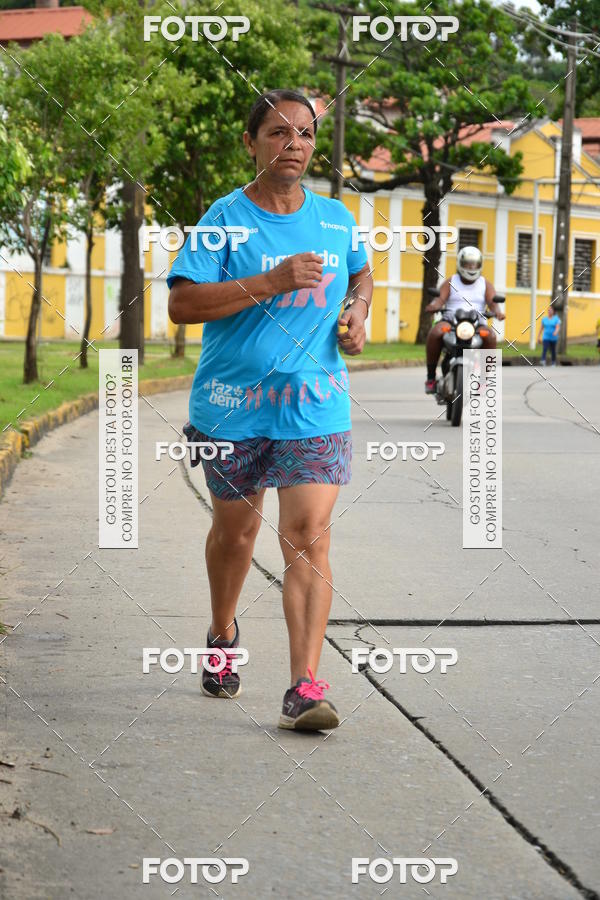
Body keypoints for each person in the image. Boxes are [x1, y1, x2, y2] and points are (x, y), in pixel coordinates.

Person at [166, 89, 372, 731]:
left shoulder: (336, 219)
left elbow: (360, 272)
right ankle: (223, 632)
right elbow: (182, 306)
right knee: (237, 534)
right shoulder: (223, 219)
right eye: (279, 132)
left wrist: (357, 310)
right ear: (251, 143)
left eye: (306, 134)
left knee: (308, 536)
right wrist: (272, 281)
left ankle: (305, 687)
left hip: (315, 404)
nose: (295, 144)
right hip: (234, 408)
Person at [424, 246, 505, 393]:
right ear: (461, 263)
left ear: (480, 265)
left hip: (477, 323)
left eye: (474, 264)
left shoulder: (484, 283)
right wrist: (433, 306)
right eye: (468, 264)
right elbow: (440, 299)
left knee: (491, 336)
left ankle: (485, 380)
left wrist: (498, 312)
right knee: (435, 333)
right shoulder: (451, 281)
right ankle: (430, 378)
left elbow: (493, 302)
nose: (471, 267)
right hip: (451, 321)